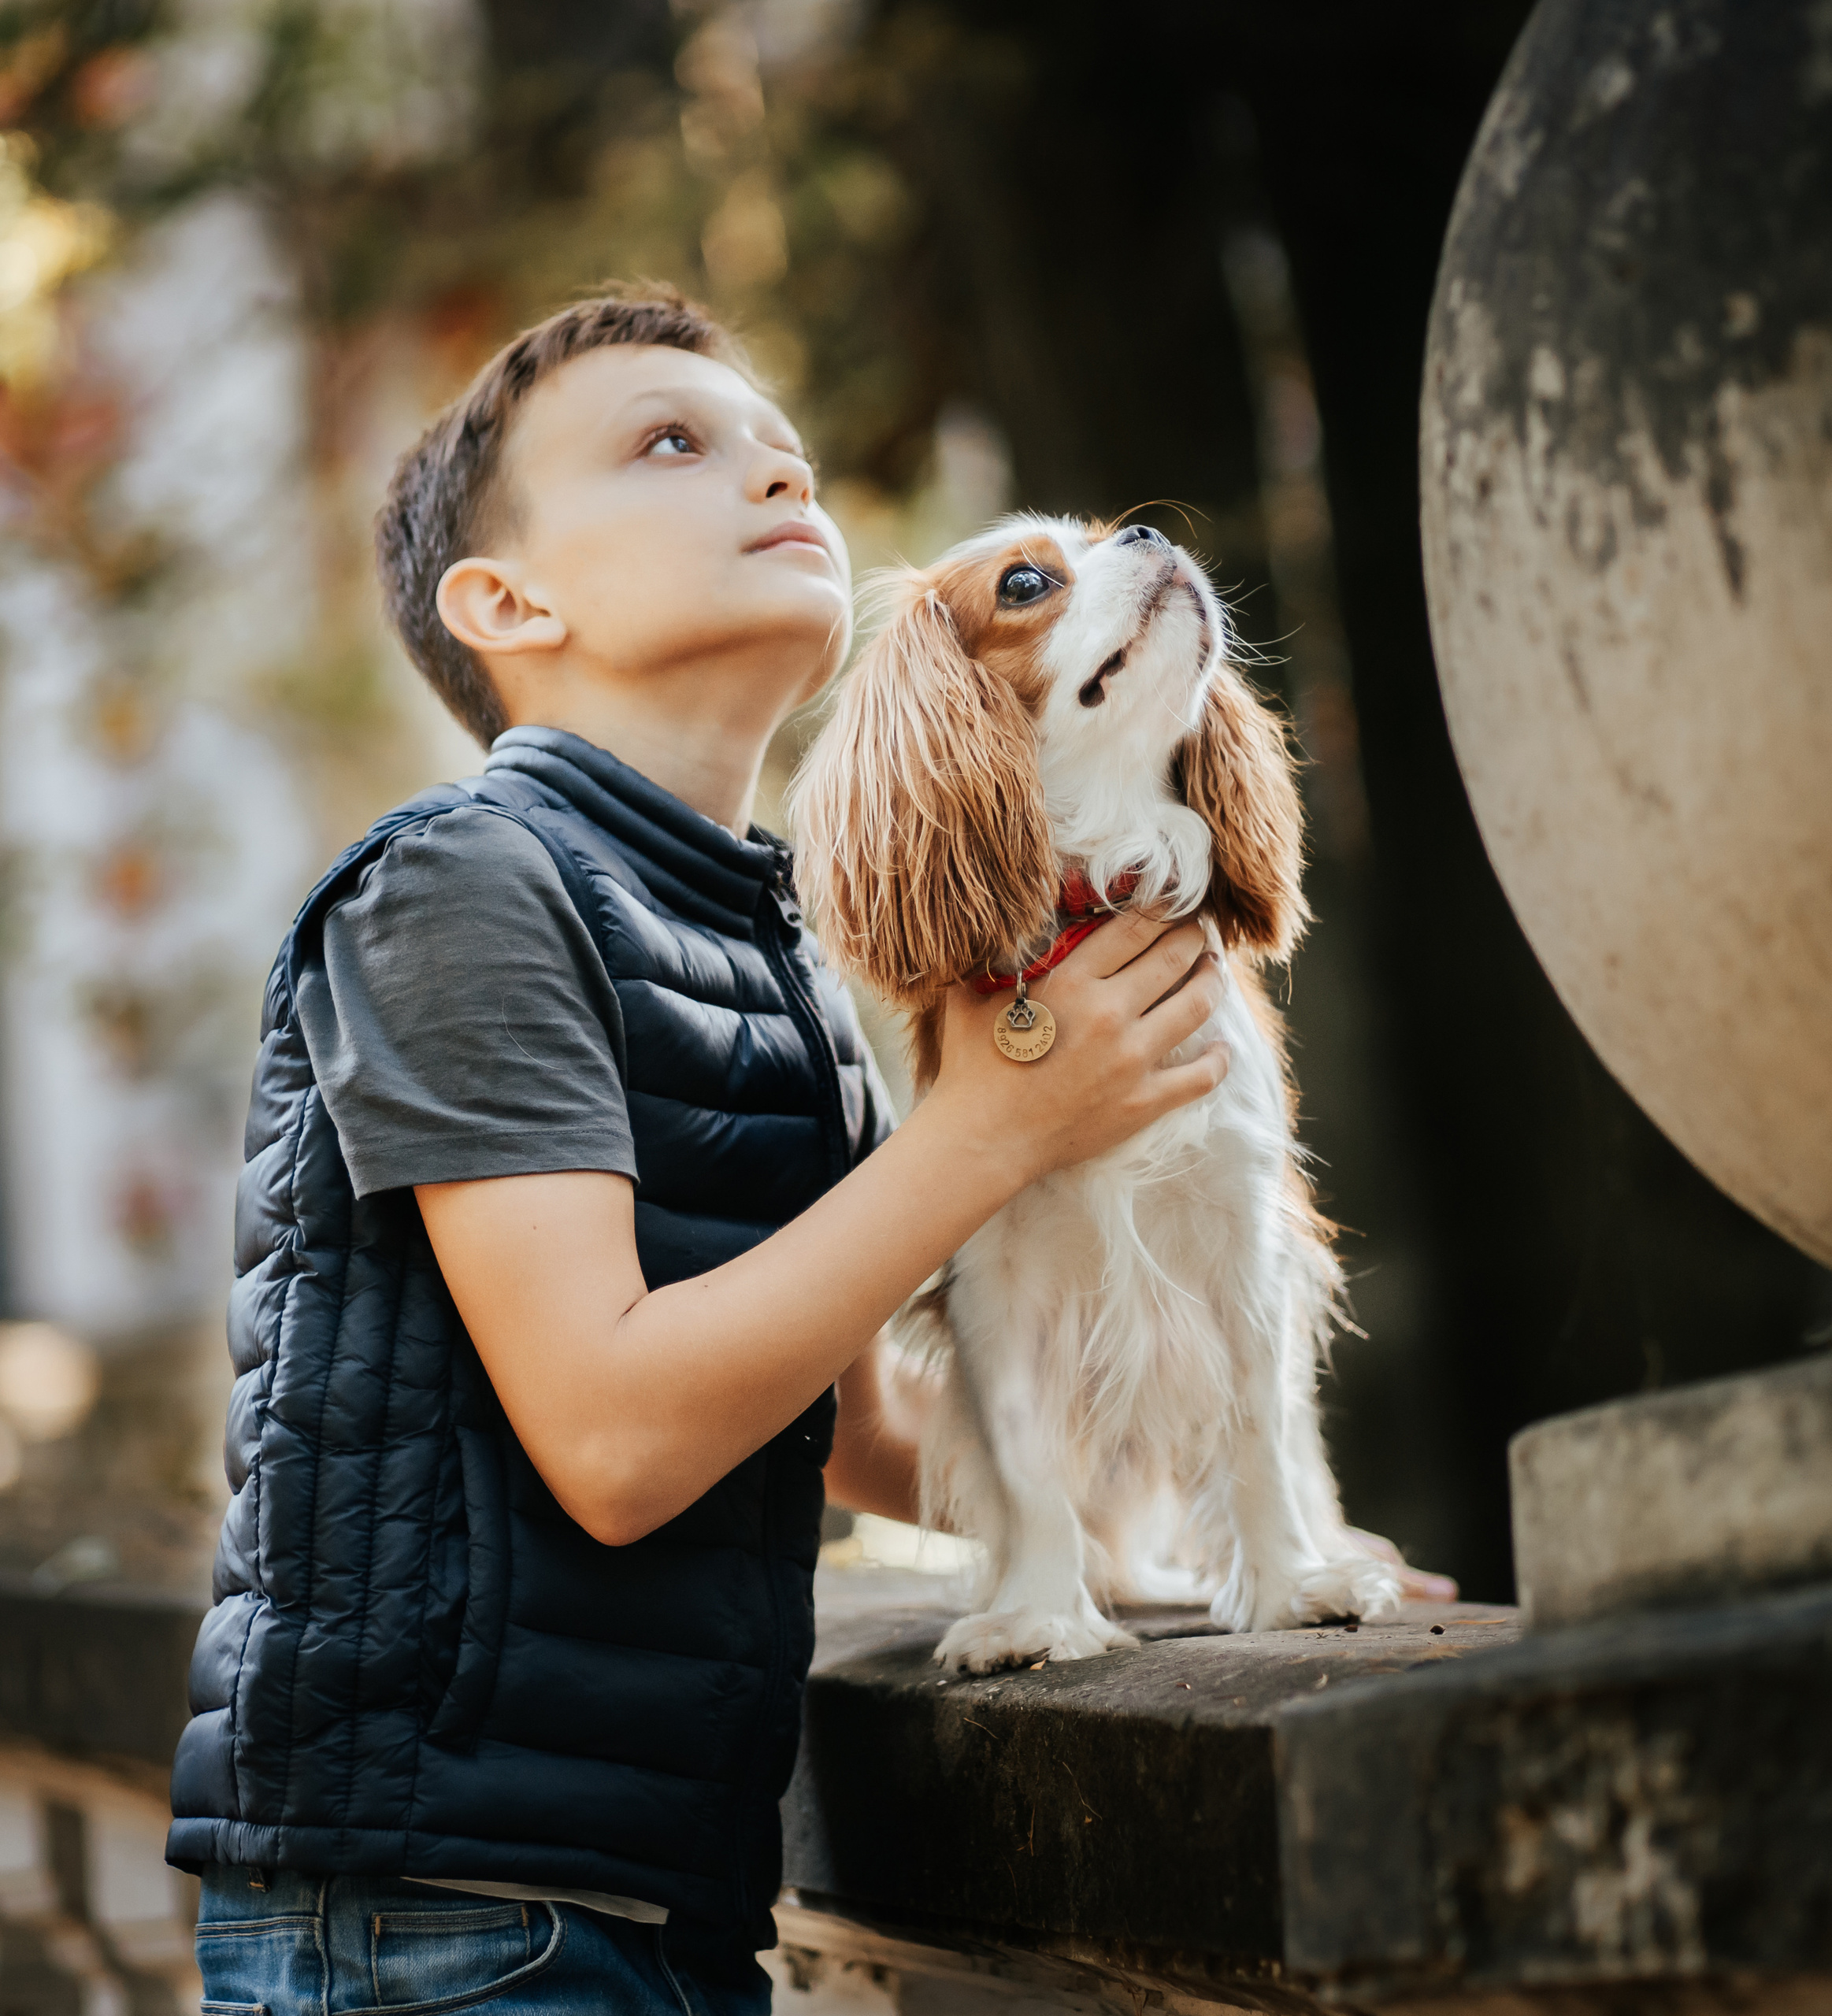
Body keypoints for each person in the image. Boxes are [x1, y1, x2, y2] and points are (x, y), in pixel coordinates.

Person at [166, 283, 1452, 2014]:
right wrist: (1003, 1118)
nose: (776, 477)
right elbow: (618, 1432)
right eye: (673, 445)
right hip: (430, 1915)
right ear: (506, 601)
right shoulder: (458, 884)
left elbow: (845, 1421)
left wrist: (1256, 1534)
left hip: (664, 1895)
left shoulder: (765, 943)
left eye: (784, 452)